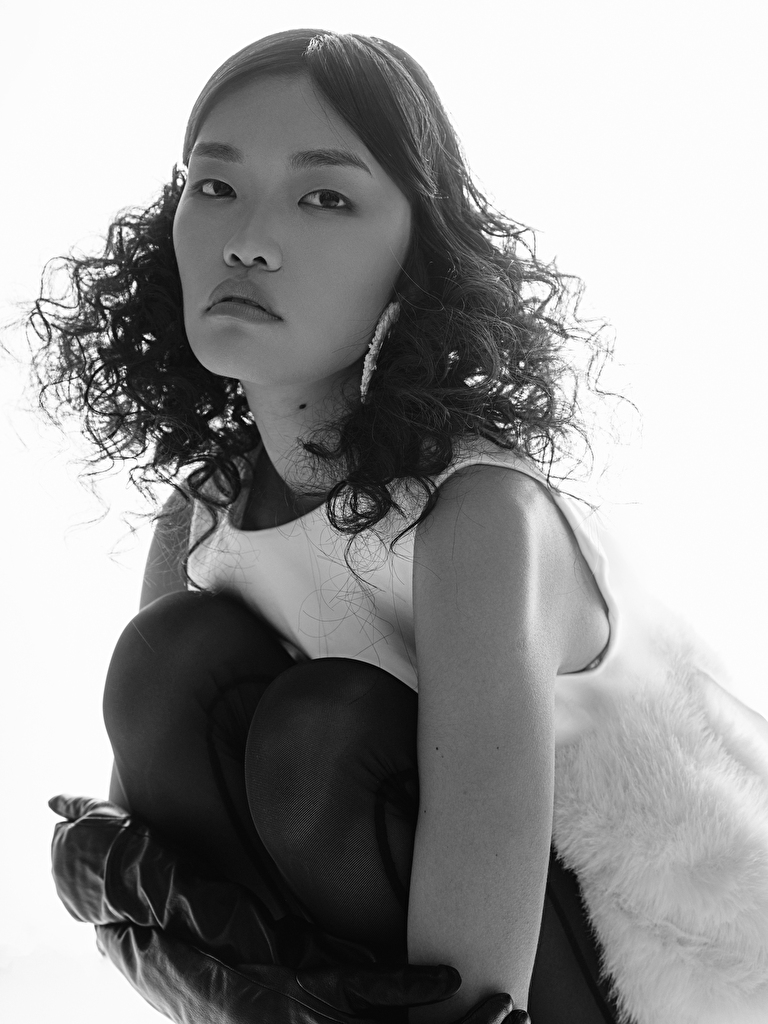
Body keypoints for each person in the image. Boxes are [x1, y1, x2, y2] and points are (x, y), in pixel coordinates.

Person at [21, 27, 768, 1024]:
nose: (248, 238)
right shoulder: (201, 518)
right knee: (170, 660)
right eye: (216, 186)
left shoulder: (478, 517)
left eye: (325, 197)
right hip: (417, 972)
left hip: (657, 990)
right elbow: (155, 884)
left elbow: (478, 990)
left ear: (415, 258)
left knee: (321, 733)